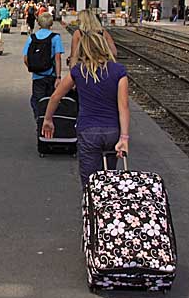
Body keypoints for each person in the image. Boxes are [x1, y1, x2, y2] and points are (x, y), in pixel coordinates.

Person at [42, 32, 130, 188]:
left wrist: (48, 119)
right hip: (112, 131)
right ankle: (109, 208)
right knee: (110, 179)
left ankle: (90, 208)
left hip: (88, 131)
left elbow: (55, 97)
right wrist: (124, 137)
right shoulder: (118, 71)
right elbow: (123, 107)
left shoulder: (79, 71)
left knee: (90, 181)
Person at [23, 12, 65, 117]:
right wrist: (58, 77)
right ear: (51, 24)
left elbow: (25, 58)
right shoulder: (55, 38)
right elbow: (58, 58)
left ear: (39, 23)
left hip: (37, 76)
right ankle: (48, 119)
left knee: (37, 100)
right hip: (51, 75)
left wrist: (33, 67)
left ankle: (39, 119)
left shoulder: (32, 38)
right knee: (51, 100)